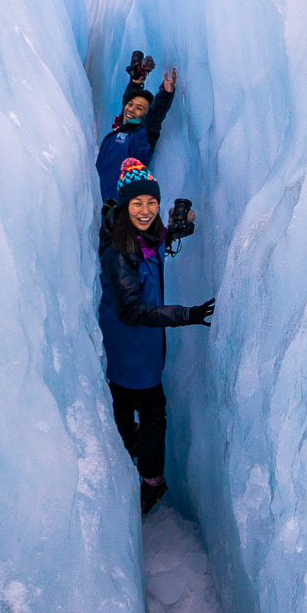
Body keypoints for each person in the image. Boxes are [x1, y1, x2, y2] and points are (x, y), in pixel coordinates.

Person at [99, 157, 215, 513]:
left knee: (126, 404)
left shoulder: (144, 234)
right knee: (149, 412)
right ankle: (152, 483)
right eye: (138, 204)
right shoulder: (119, 252)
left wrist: (181, 225)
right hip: (129, 344)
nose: (147, 210)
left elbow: (162, 236)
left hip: (144, 344)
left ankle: (129, 448)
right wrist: (187, 315)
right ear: (124, 206)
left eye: (152, 203)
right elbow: (132, 310)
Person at [95, 52, 178, 202]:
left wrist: (165, 94)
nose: (131, 109)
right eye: (130, 105)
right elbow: (125, 111)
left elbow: (154, 118)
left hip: (121, 209)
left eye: (139, 108)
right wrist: (136, 82)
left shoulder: (140, 139)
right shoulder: (121, 130)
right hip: (105, 206)